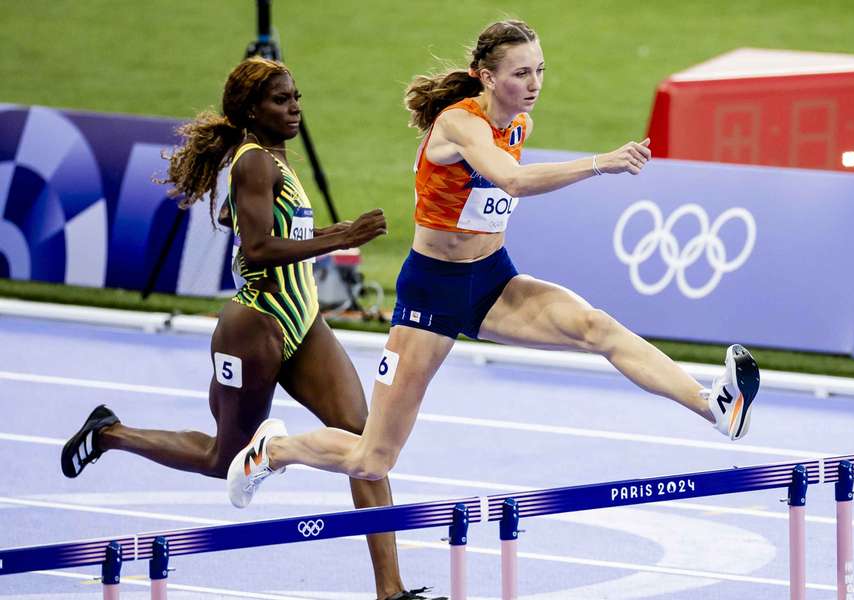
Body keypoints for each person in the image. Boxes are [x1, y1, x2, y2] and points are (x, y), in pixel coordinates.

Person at [227, 21, 760, 507]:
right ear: (486, 76)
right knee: (374, 458)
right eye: (521, 73)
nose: (534, 83)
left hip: (493, 281)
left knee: (596, 326)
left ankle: (714, 405)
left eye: (540, 71)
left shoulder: (518, 122)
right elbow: (511, 181)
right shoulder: (461, 124)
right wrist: (603, 163)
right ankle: (273, 451)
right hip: (432, 294)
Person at [60, 57, 443, 600]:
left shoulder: (276, 161)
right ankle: (110, 433)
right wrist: (340, 236)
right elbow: (258, 249)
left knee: (366, 442)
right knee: (226, 461)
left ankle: (391, 591)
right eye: (281, 100)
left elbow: (260, 227)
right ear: (250, 110)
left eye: (297, 97)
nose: (295, 108)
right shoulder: (253, 163)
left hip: (303, 321)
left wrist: (306, 228)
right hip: (254, 328)